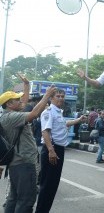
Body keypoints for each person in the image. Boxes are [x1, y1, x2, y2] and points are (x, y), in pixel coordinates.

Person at [0, 74, 56, 213]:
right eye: (16, 100)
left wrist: (26, 85)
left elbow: (24, 103)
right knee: (26, 200)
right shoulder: (12, 117)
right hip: (24, 163)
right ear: (9, 104)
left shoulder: (10, 114)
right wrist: (47, 95)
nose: (20, 101)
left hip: (17, 163)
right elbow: (34, 114)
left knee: (14, 198)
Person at [35, 89, 87, 213]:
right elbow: (45, 132)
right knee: (47, 186)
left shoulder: (58, 112)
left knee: (52, 186)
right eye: (58, 96)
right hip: (52, 149)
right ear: (51, 98)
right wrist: (51, 151)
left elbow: (65, 124)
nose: (61, 98)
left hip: (58, 149)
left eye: (62, 96)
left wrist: (79, 120)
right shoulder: (48, 112)